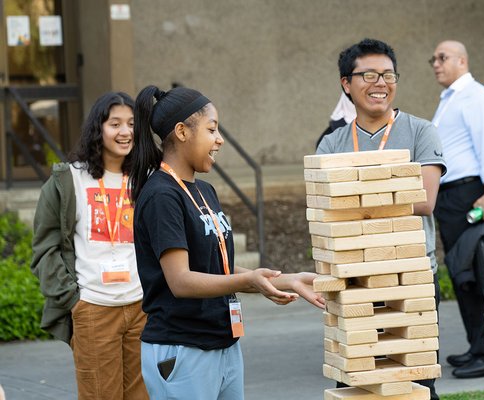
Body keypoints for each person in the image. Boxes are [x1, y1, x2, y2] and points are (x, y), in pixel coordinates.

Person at [128, 85, 324, 400]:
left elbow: (216, 267)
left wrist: (286, 280)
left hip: (223, 344)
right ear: (181, 132)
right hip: (183, 349)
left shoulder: (205, 191)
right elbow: (181, 281)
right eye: (212, 129)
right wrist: (250, 279)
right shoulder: (161, 195)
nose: (219, 140)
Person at [317, 38, 446, 400]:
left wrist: (354, 196)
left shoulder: (421, 131)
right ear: (346, 83)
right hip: (353, 281)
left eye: (388, 75)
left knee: (416, 385)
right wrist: (391, 190)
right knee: (356, 384)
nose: (380, 83)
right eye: (369, 74)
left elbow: (423, 198)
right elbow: (327, 210)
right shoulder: (331, 144)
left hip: (412, 279)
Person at [31, 92, 149, 399]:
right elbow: (45, 249)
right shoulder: (68, 180)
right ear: (98, 128)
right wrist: (73, 300)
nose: (125, 132)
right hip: (94, 309)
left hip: (142, 308)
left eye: (132, 124)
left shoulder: (145, 178)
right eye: (115, 124)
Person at [429, 40, 484, 378]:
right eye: (433, 58)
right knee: (462, 275)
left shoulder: (475, 96)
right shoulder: (452, 98)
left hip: (469, 194)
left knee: (476, 273)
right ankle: (478, 346)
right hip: (451, 197)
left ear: (462, 60)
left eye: (442, 57)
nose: (436, 63)